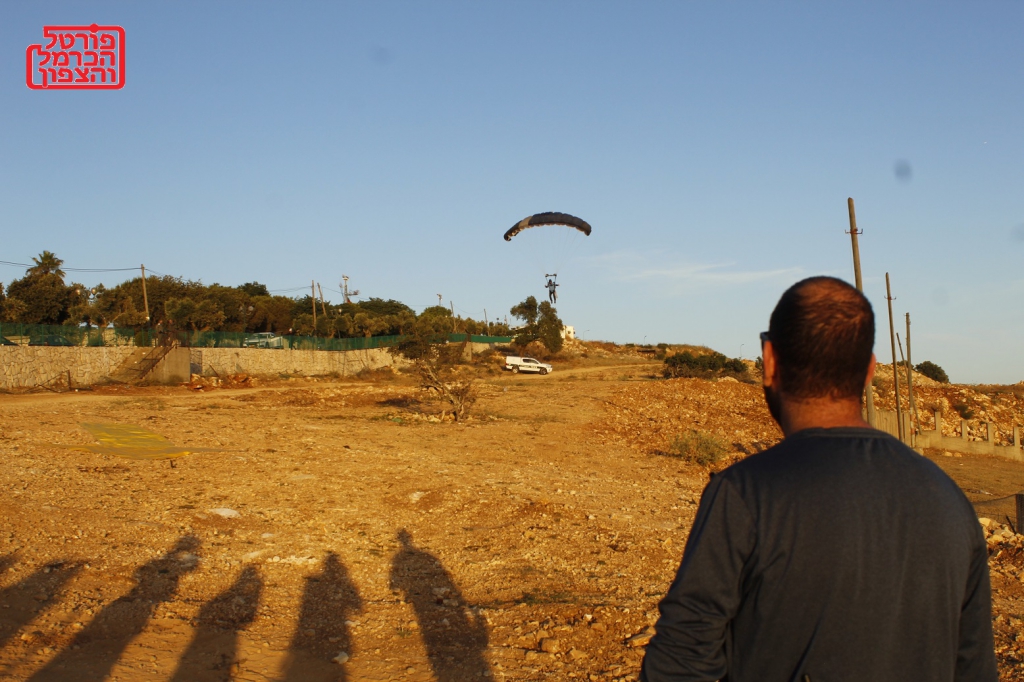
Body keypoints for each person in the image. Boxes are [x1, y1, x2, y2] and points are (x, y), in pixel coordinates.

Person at [641, 276, 996, 682]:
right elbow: (974, 668)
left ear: (769, 361)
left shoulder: (742, 496)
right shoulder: (950, 502)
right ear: (869, 371)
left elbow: (680, 663)